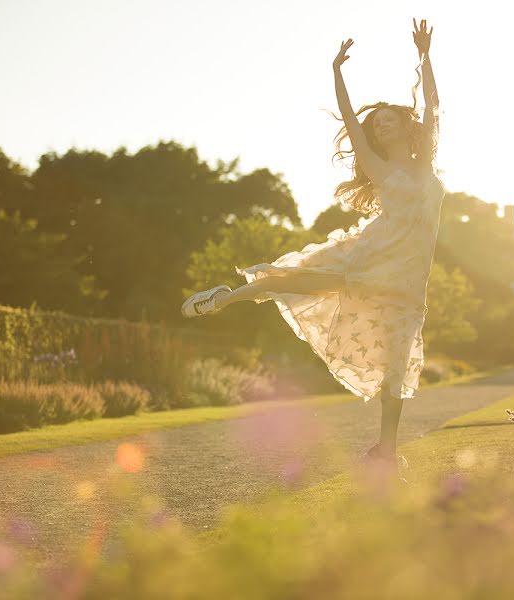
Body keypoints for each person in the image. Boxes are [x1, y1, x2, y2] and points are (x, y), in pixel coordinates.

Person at [182, 18, 442, 478]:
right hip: (367, 257)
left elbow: (436, 108)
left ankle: (385, 451)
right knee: (294, 280)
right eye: (376, 125)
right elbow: (349, 121)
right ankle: (224, 298)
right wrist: (337, 72)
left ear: (406, 124)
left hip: (406, 281)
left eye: (388, 121)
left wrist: (424, 57)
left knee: (396, 371)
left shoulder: (427, 169)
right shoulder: (380, 170)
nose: (380, 128)